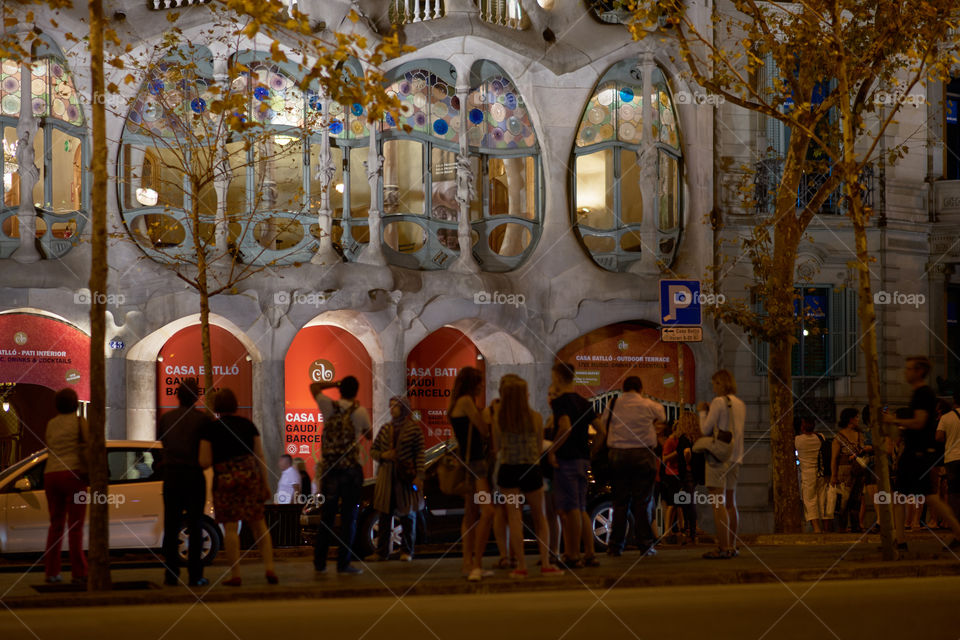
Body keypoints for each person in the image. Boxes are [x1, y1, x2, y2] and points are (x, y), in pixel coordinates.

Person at [199, 388, 277, 586]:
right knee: (259, 524)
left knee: (231, 529)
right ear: (235, 404)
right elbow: (260, 455)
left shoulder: (211, 429)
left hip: (225, 481)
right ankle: (269, 568)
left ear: (216, 406)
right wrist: (265, 484)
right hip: (250, 478)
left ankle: (236, 574)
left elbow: (205, 461)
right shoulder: (248, 426)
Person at [883, 356, 960, 551]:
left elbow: (919, 422)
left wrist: (894, 420)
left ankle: (901, 541)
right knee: (904, 496)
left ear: (919, 372)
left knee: (925, 496)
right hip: (916, 453)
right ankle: (900, 540)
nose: (905, 372)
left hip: (917, 454)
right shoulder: (919, 393)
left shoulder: (923, 393)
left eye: (909, 369)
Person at [491, 374, 563, 578]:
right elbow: (540, 446)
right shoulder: (536, 417)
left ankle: (520, 565)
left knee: (514, 518)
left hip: (508, 469)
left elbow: (497, 449)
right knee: (540, 517)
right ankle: (546, 563)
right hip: (531, 469)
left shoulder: (499, 419)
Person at [310, 375, 372, 575]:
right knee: (349, 518)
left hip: (330, 471)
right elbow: (369, 435)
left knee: (326, 517)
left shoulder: (328, 405)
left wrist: (334, 384)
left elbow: (314, 386)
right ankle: (343, 563)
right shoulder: (360, 411)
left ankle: (320, 563)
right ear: (356, 391)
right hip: (350, 471)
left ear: (340, 390)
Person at [599, 376, 663, 557]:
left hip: (618, 456)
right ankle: (645, 545)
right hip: (643, 456)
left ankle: (615, 546)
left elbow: (604, 425)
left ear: (623, 389)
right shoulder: (648, 404)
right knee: (642, 502)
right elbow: (662, 415)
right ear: (640, 389)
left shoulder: (613, 403)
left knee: (619, 503)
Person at [548, 362, 603, 567]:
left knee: (570, 510)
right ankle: (589, 553)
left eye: (553, 377)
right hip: (583, 460)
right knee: (581, 508)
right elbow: (601, 431)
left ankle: (572, 554)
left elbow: (565, 427)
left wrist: (552, 450)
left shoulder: (561, 402)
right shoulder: (585, 402)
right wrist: (592, 451)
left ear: (559, 378)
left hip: (567, 460)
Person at [157, 378, 209, 587]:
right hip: (194, 476)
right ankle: (195, 575)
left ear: (177, 396)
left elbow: (161, 443)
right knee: (195, 525)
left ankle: (171, 574)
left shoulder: (166, 419)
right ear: (196, 397)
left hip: (171, 476)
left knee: (171, 525)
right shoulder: (203, 420)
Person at [449, 366, 495, 581]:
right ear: (472, 383)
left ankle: (467, 563)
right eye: (480, 382)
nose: (482, 386)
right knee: (488, 511)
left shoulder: (456, 403)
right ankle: (476, 563)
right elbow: (484, 430)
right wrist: (487, 415)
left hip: (466, 462)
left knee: (470, 514)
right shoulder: (467, 402)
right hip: (476, 464)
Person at [366, 396, 425, 562]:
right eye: (390, 405)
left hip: (405, 480)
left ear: (404, 409)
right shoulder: (385, 429)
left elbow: (420, 454)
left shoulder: (414, 430)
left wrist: (419, 476)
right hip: (386, 479)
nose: (392, 409)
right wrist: (384, 455)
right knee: (384, 517)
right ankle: (381, 551)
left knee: (407, 517)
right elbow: (374, 450)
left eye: (396, 406)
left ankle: (407, 551)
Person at [42, 388, 89, 585]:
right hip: (73, 474)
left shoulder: (51, 424)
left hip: (51, 474)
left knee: (56, 525)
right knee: (75, 526)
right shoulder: (80, 423)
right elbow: (88, 444)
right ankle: (79, 572)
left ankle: (52, 572)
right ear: (75, 404)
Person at [698, 369, 746, 559]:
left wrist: (703, 412)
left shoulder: (718, 402)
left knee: (717, 503)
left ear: (721, 384)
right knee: (730, 503)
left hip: (718, 458)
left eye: (714, 384)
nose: (713, 387)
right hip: (736, 457)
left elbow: (705, 428)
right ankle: (732, 545)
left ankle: (723, 547)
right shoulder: (740, 404)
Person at [830, 409, 869, 533]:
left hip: (858, 470)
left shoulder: (860, 435)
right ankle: (842, 526)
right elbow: (834, 458)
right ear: (851, 419)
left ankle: (855, 525)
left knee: (856, 499)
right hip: (844, 471)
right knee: (844, 500)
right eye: (856, 417)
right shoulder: (839, 437)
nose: (858, 420)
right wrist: (834, 475)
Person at [795, 417, 829, 533]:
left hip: (807, 473)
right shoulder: (820, 437)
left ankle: (816, 527)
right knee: (822, 498)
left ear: (802, 427)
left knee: (809, 500)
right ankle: (826, 527)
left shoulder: (798, 440)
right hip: (821, 472)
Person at [675, 411, 703, 544]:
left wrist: (687, 464)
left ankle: (690, 532)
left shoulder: (684, 438)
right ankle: (691, 530)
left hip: (688, 472)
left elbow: (686, 451)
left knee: (688, 502)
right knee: (689, 500)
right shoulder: (697, 438)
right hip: (697, 472)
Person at [937, 391, 960, 518]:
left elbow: (939, 436)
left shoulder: (946, 417)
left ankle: (955, 521)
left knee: (953, 492)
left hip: (952, 458)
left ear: (954, 400)